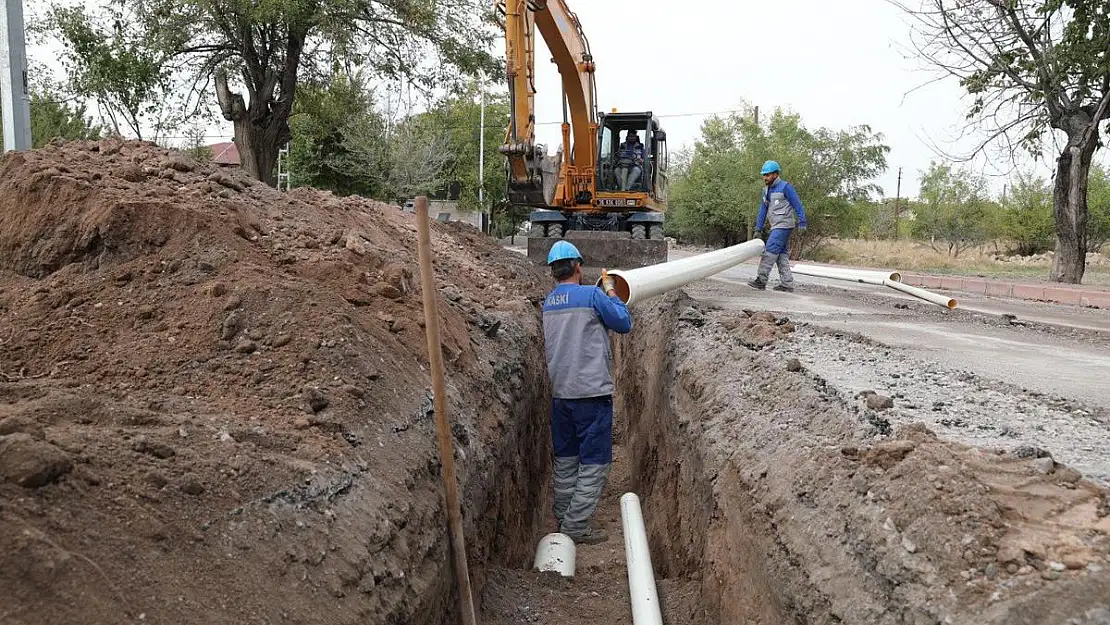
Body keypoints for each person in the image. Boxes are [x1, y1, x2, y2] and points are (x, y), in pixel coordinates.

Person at [541, 240, 632, 544]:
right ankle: (576, 526)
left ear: (554, 271)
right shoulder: (592, 295)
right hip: (591, 395)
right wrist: (610, 291)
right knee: (595, 462)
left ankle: (564, 514)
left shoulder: (549, 302)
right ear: (578, 267)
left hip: (561, 394)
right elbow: (623, 322)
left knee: (566, 459)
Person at [749, 160, 807, 292]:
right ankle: (787, 284)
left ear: (775, 174)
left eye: (767, 175)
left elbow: (797, 204)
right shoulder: (765, 191)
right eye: (764, 175)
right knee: (781, 254)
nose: (765, 178)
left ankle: (761, 280)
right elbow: (762, 210)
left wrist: (802, 221)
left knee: (770, 251)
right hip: (776, 225)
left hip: (784, 225)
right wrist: (758, 228)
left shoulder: (785, 187)